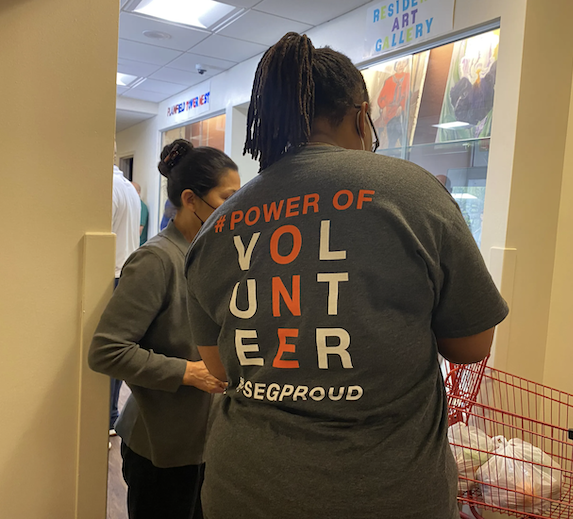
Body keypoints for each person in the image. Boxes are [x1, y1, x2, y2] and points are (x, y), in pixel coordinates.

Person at [185, 33, 509, 519]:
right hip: (384, 493)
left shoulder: (219, 224)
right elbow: (471, 346)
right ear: (360, 116)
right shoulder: (412, 193)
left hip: (244, 489)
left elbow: (221, 367)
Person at [89, 139, 240, 519]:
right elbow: (107, 350)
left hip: (206, 442)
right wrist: (187, 372)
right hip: (160, 448)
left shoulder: (212, 255)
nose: (237, 209)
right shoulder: (156, 260)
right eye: (228, 198)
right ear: (191, 199)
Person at [110, 152, 141, 434]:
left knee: (109, 348)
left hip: (112, 274)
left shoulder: (108, 188)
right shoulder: (129, 188)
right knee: (119, 346)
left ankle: (107, 416)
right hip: (126, 272)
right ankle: (111, 415)